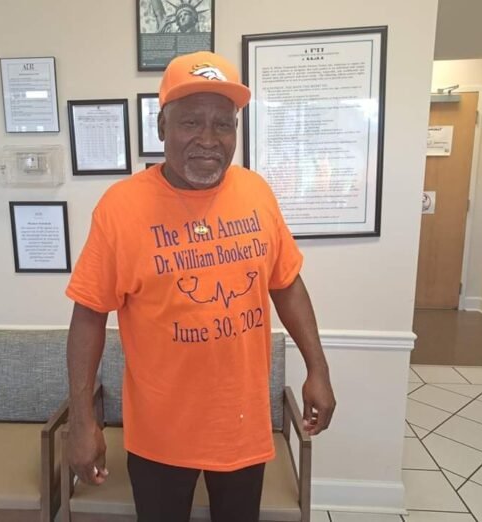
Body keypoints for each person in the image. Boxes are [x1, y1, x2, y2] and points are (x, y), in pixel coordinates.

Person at [65, 51, 336, 522]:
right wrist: (81, 419)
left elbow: (287, 283)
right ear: (161, 127)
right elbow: (89, 314)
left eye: (223, 124)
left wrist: (319, 367)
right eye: (191, 122)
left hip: (241, 425)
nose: (208, 140)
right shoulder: (120, 208)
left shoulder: (256, 192)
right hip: (160, 433)